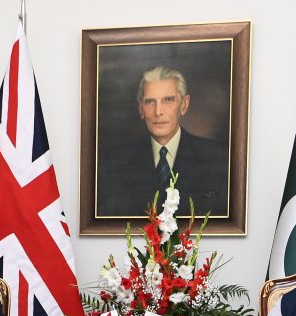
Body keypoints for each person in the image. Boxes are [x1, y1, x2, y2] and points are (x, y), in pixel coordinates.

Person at [97, 65, 228, 217]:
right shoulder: (115, 163)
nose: (158, 111)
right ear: (141, 108)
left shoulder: (218, 158)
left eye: (168, 100)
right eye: (150, 102)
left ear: (184, 105)